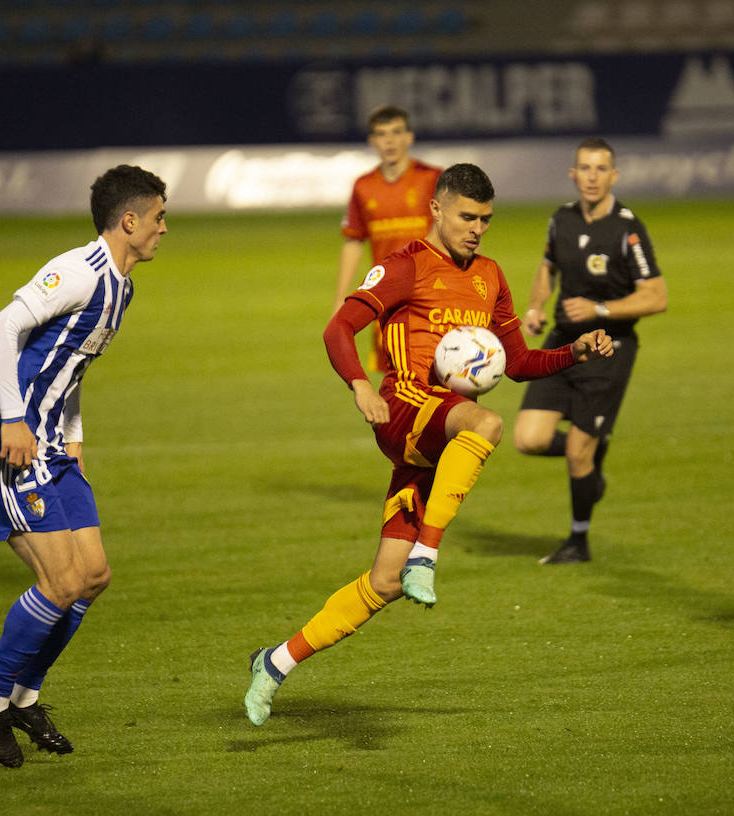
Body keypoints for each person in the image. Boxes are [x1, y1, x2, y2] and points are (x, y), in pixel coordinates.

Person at [244, 164, 613, 727]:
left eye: (486, 219)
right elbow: (336, 329)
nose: (477, 229)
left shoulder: (490, 275)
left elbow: (517, 363)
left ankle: (274, 663)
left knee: (385, 581)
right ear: (437, 209)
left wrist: (573, 352)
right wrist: (361, 386)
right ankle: (430, 552)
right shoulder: (404, 266)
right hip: (404, 413)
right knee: (486, 424)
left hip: (438, 439)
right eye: (467, 216)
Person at [0, 165, 167, 767]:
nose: (163, 229)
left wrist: (73, 435)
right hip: (10, 446)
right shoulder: (78, 271)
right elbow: (0, 328)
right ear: (129, 221)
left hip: (53, 447)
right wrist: (15, 420)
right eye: (157, 218)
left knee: (93, 577)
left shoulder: (122, 286)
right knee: (61, 582)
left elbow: (67, 370)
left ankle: (24, 694)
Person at [513, 137, 668, 564]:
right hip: (562, 343)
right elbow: (548, 268)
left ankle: (578, 541)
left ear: (614, 175)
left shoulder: (626, 228)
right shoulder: (560, 220)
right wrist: (535, 307)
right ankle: (592, 450)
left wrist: (600, 308)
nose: (593, 177)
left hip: (608, 348)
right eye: (585, 168)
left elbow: (656, 296)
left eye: (601, 169)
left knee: (577, 452)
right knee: (528, 439)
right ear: (573, 174)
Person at [336, 105, 441, 368]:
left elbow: (458, 231)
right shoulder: (364, 186)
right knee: (395, 382)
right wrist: (341, 298)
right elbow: (353, 240)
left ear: (410, 136)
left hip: (432, 293)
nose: (390, 140)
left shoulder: (432, 179)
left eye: (396, 132)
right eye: (382, 134)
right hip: (387, 298)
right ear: (372, 141)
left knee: (445, 374)